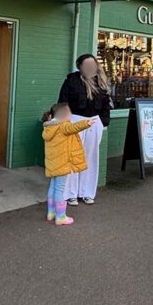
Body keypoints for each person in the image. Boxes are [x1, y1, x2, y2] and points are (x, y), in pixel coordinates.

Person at [58, 53, 112, 205]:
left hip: (94, 122)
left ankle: (86, 192)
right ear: (80, 67)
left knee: (90, 158)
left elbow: (106, 104)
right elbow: (63, 101)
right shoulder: (72, 81)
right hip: (75, 121)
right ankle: (70, 193)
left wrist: (103, 122)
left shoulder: (101, 82)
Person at [41, 103, 94, 226]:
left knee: (53, 186)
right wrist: (87, 123)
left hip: (52, 163)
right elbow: (73, 128)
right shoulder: (63, 126)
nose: (70, 114)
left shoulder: (49, 127)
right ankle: (60, 217)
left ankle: (51, 213)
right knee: (59, 189)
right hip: (63, 163)